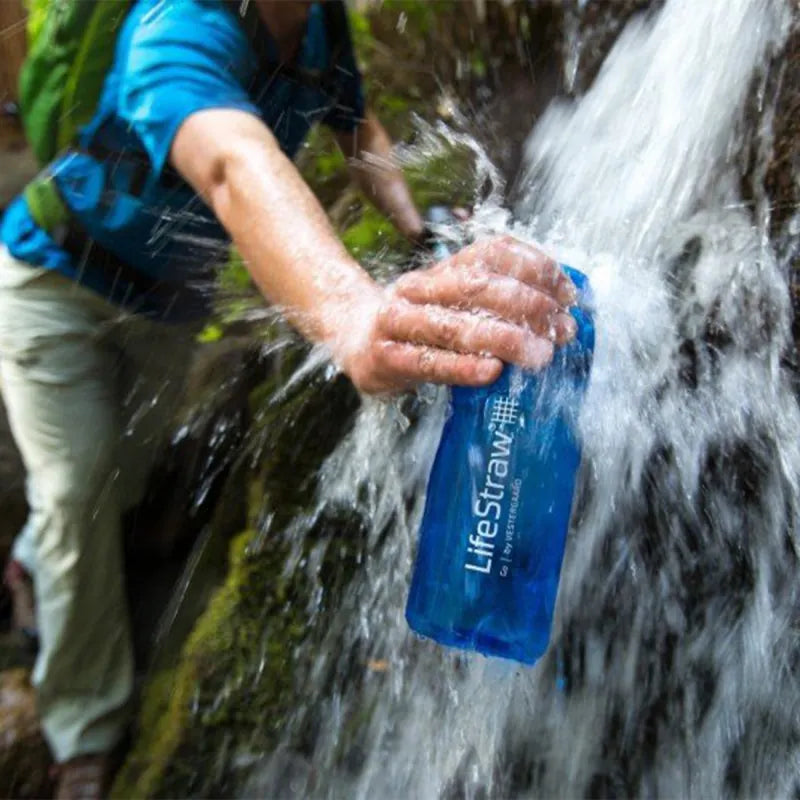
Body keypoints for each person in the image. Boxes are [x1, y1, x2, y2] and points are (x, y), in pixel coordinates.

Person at [0, 0, 578, 796]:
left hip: (164, 313)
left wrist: (418, 226)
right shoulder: (175, 28)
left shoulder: (316, 26)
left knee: (112, 482)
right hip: (51, 286)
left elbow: (357, 127)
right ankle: (82, 736)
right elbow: (233, 163)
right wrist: (351, 315)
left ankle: (33, 564)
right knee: (73, 489)